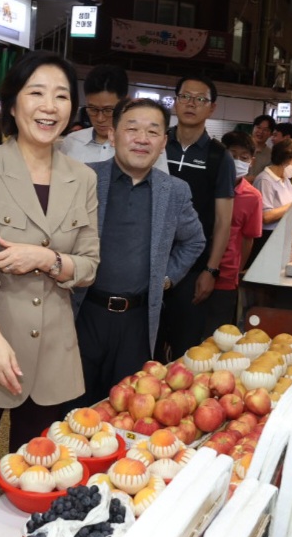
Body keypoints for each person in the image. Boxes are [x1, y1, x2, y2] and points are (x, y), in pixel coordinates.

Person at [0, 52, 99, 514]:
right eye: (37, 93)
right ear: (13, 104)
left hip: (52, 352)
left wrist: (45, 258)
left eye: (62, 96)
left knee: (40, 479)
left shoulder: (82, 178)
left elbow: (89, 264)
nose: (50, 106)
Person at [73, 99, 204, 405]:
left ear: (163, 143)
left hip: (138, 321)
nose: (142, 139)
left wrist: (166, 279)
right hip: (83, 314)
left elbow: (194, 241)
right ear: (112, 134)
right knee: (71, 410)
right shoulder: (84, 179)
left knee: (127, 409)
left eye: (152, 131)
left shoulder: (174, 191)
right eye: (132, 129)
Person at [160, 74, 235, 357]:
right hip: (151, 261)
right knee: (147, 348)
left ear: (212, 108)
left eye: (200, 99)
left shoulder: (219, 157)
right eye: (185, 97)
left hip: (193, 270)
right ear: (175, 102)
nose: (191, 104)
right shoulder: (158, 144)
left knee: (185, 350)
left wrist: (211, 270)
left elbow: (223, 221)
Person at [207, 131, 265, 329]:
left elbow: (248, 239)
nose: (237, 161)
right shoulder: (206, 185)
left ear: (252, 161)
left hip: (226, 277)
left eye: (244, 157)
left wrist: (237, 272)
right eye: (232, 155)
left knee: (217, 333)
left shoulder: (253, 197)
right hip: (194, 270)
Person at [253, 137, 292, 233]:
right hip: (268, 236)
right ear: (285, 158)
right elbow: (265, 216)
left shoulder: (284, 179)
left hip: (282, 233)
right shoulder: (265, 180)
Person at [248, 113, 274, 178]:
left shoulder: (271, 155)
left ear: (271, 134)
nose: (261, 132)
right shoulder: (240, 148)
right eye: (258, 127)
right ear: (253, 128)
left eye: (265, 130)